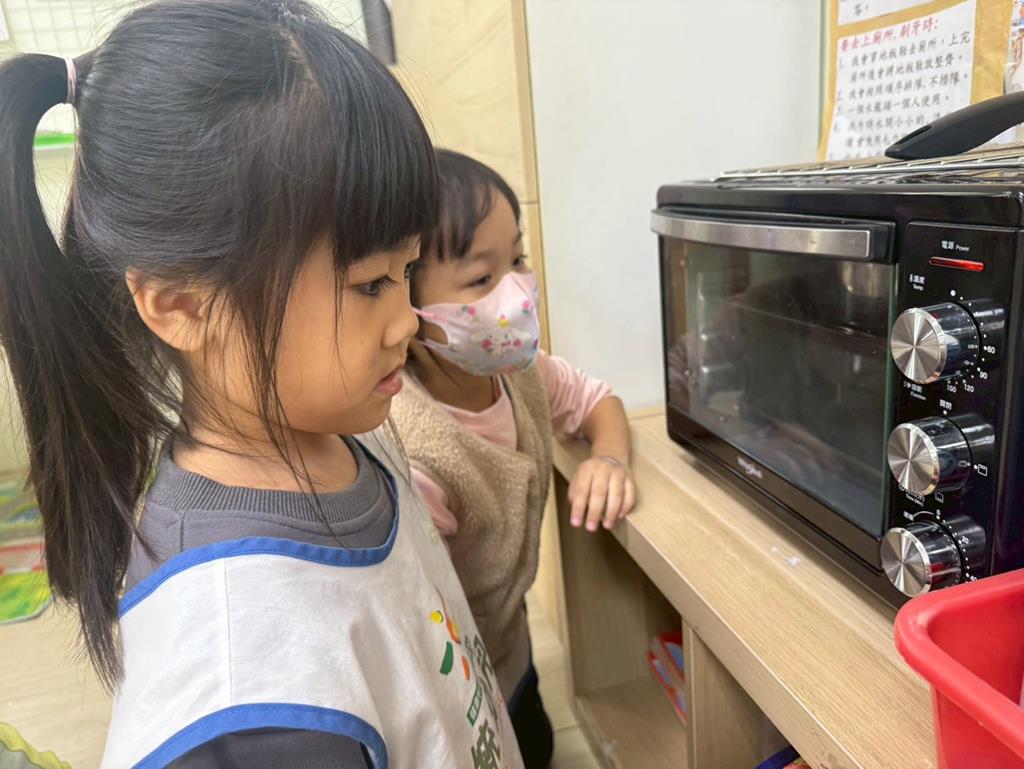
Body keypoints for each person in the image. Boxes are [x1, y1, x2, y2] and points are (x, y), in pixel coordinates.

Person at [0, 3, 523, 767]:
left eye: (408, 270)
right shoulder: (246, 700)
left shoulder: (348, 426)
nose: (406, 321)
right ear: (183, 306)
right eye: (371, 283)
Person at [391, 150, 636, 768]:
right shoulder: (416, 452)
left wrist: (609, 459)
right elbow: (424, 626)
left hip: (511, 639)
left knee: (538, 741)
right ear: (408, 304)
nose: (517, 290)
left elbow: (598, 401)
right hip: (460, 683)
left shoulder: (521, 371)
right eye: (481, 279)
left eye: (518, 259)